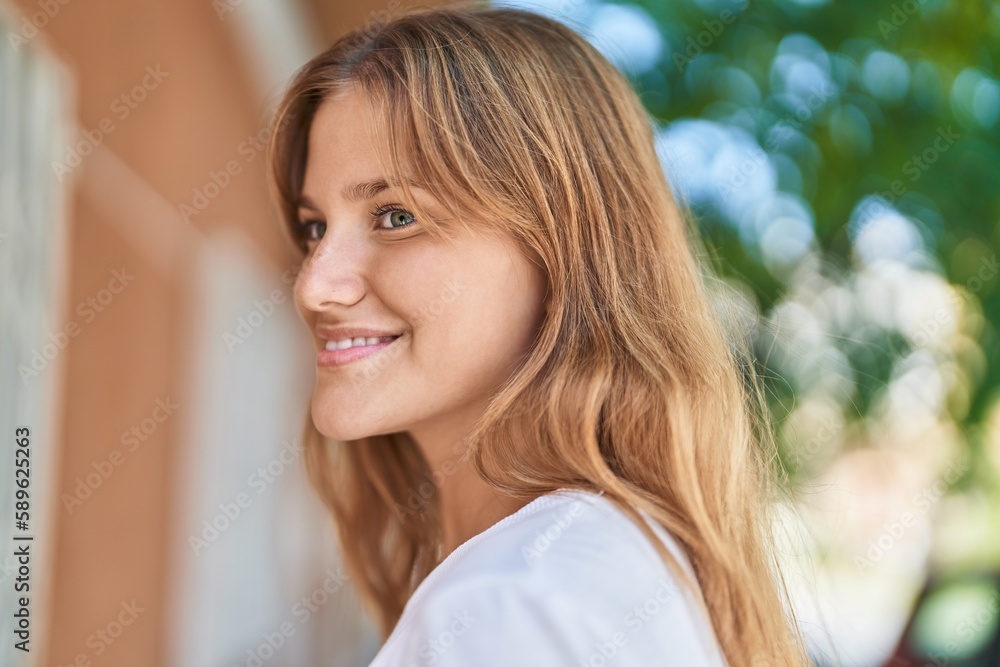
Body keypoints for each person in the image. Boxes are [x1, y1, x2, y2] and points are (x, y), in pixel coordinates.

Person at [267, 4, 807, 665]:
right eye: (316, 226)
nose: (314, 285)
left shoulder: (507, 604)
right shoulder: (596, 568)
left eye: (396, 215)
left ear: (563, 250)